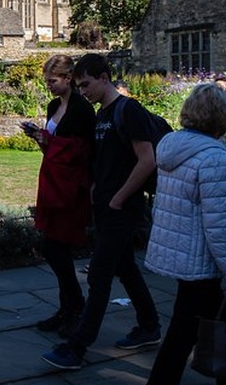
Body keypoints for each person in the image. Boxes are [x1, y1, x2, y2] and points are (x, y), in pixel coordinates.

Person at [41, 53, 161, 371]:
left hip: (121, 207)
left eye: (86, 85)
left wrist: (119, 199)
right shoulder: (102, 114)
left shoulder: (128, 110)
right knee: (126, 268)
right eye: (79, 86)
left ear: (104, 78)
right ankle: (149, 325)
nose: (83, 92)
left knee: (99, 274)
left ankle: (77, 346)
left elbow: (147, 160)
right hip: (106, 205)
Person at [145, 83, 226, 385]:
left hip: (183, 253)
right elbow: (221, 227)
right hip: (201, 260)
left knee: (205, 322)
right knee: (183, 333)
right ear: (220, 116)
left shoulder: (171, 147)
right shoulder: (214, 159)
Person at [23, 55, 96, 338]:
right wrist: (40, 138)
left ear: (68, 79)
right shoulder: (55, 106)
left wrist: (49, 140)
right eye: (47, 81)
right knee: (54, 248)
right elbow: (53, 148)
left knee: (56, 248)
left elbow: (82, 151)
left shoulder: (81, 109)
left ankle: (75, 307)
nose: (49, 86)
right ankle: (68, 307)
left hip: (71, 187)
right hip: (53, 181)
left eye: (52, 81)